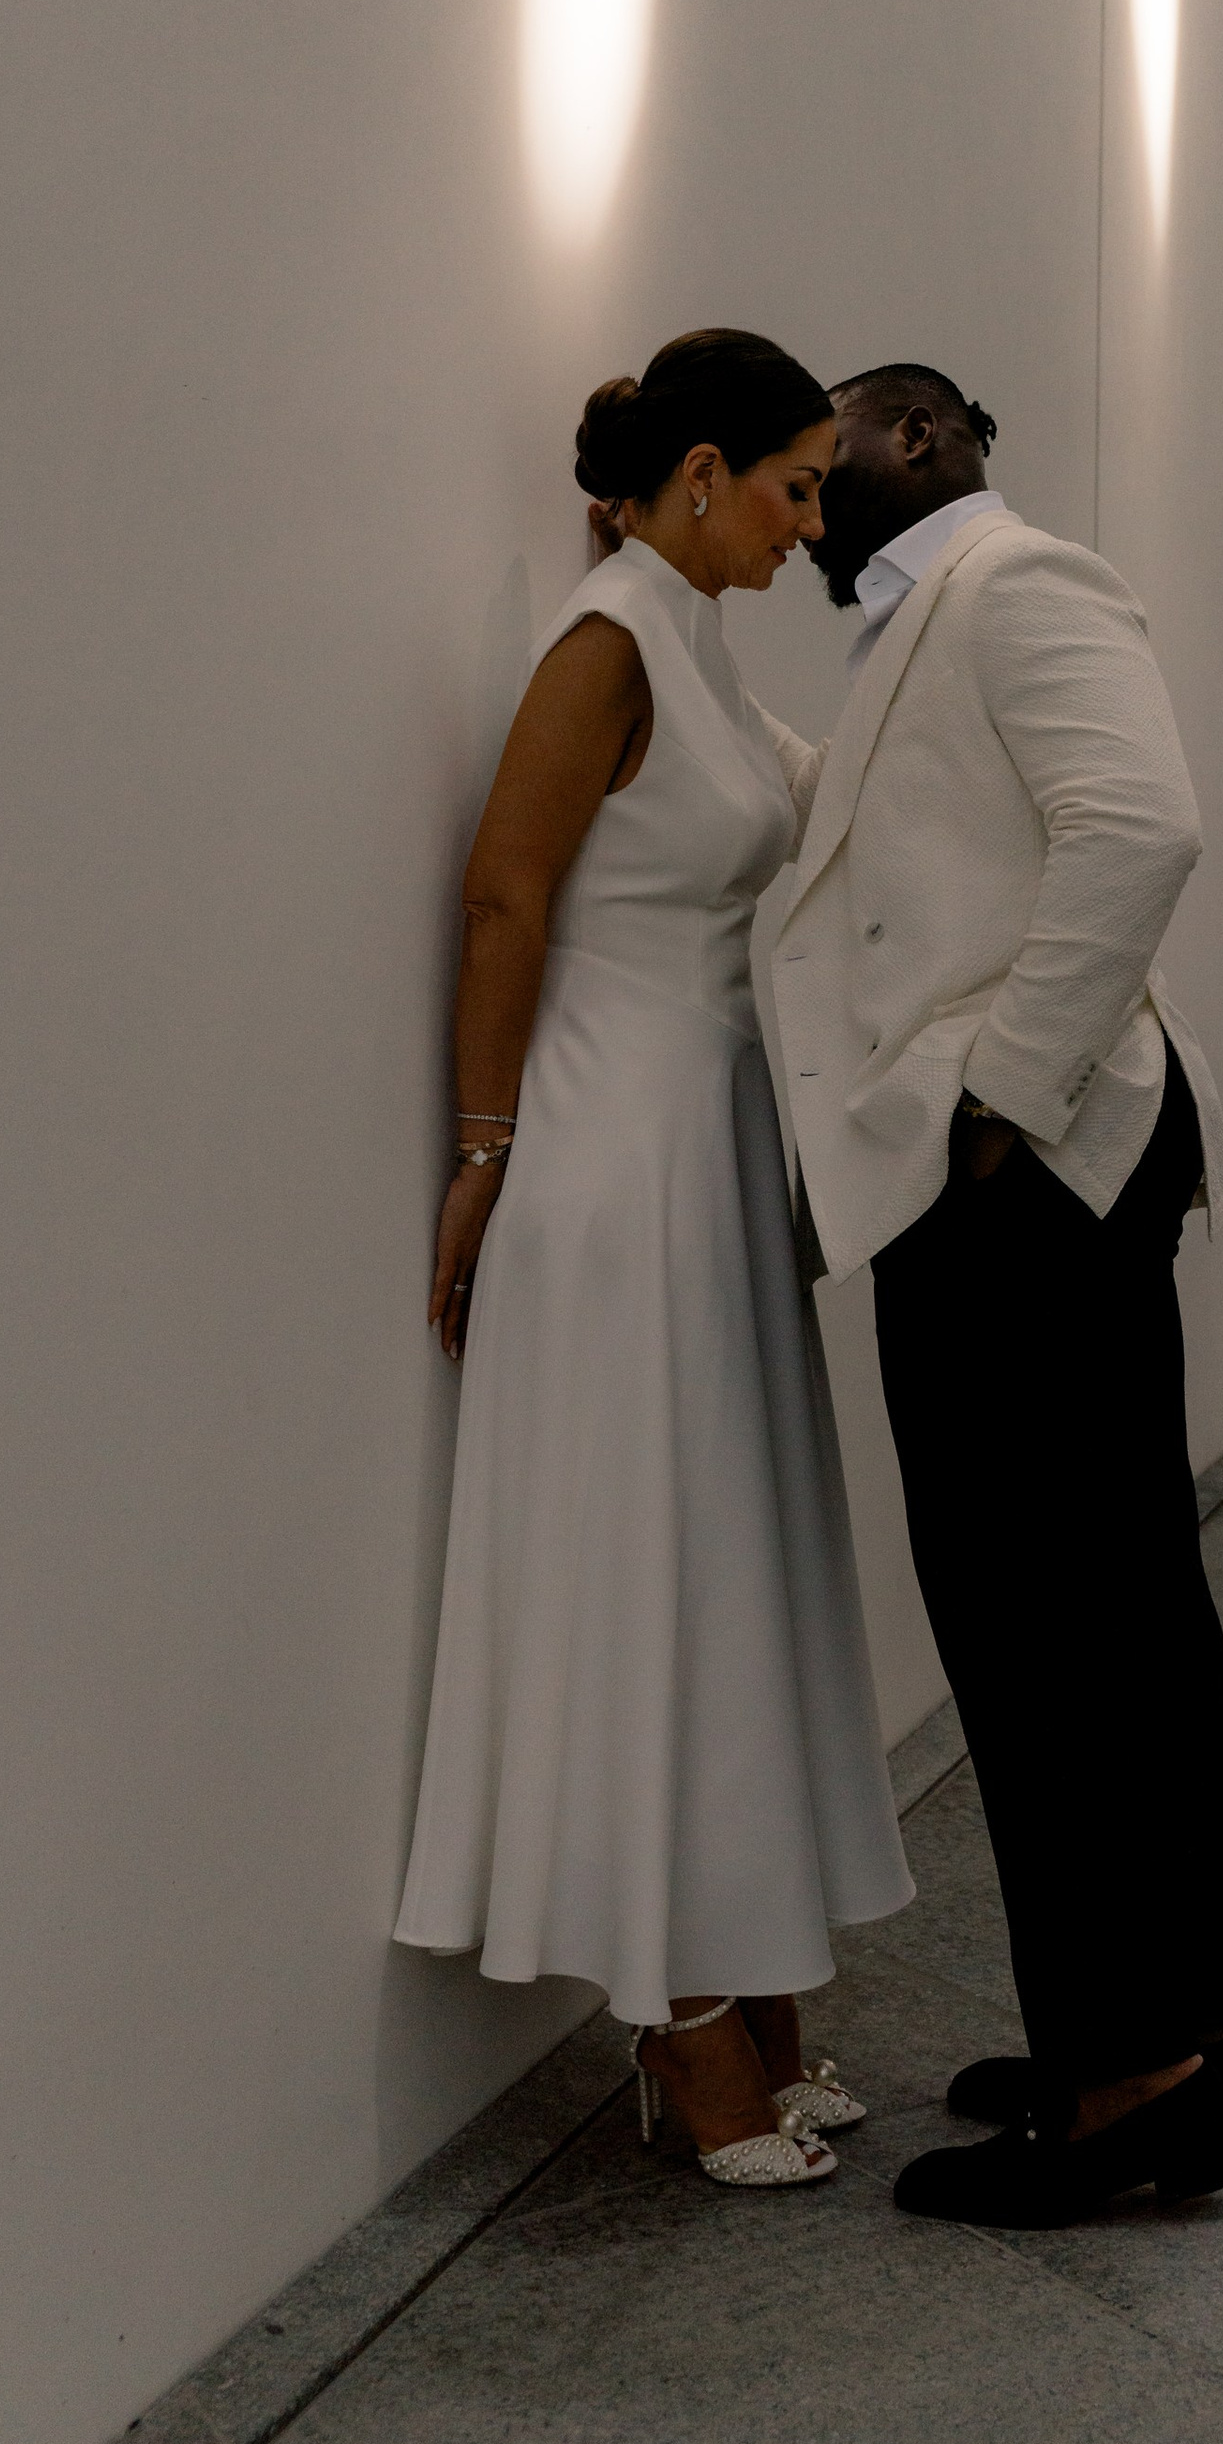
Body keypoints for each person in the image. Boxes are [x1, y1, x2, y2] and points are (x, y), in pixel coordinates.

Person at [395, 329, 911, 2189]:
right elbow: (505, 893)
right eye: (791, 490)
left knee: (732, 1566)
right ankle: (677, 2012)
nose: (808, 527)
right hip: (617, 1168)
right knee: (651, 1567)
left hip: (711, 1160)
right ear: (700, 474)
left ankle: (749, 1973)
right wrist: (478, 1155)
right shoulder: (608, 640)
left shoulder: (690, 641)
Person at [772, 362, 1223, 2226]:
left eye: (838, 453)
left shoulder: (1021, 582)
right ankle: (1153, 2039)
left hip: (1032, 1176)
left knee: (1059, 1620)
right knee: (1095, 1612)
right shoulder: (922, 630)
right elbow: (887, 845)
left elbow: (1142, 831)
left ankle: (1134, 2084)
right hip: (1034, 1174)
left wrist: (995, 1100)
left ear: (935, 438)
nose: (813, 495)